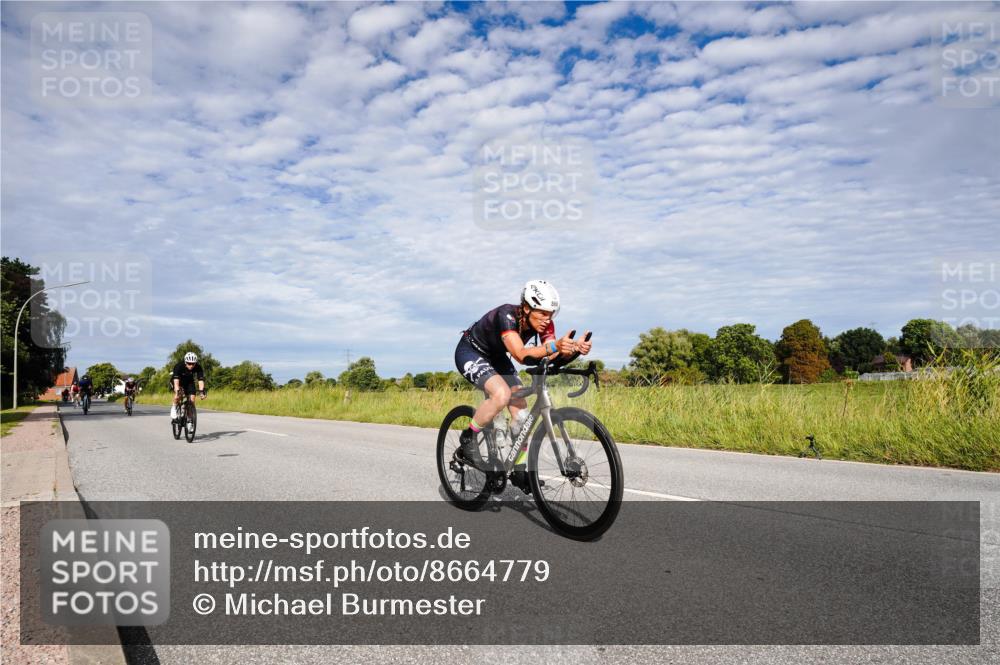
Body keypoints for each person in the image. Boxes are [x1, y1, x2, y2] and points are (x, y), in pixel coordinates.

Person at [454, 280, 591, 477]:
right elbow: (521, 354)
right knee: (501, 395)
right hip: (471, 351)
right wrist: (555, 347)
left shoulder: (545, 324)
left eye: (550, 314)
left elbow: (550, 354)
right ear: (526, 308)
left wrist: (573, 350)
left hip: (497, 357)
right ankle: (468, 438)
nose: (547, 319)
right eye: (542, 313)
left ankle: (519, 469)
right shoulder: (506, 315)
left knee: (521, 414)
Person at [170, 352, 206, 421]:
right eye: (189, 363)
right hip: (178, 381)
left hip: (189, 382)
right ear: (185, 362)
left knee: (192, 399)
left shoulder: (198, 367)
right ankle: (174, 407)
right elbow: (176, 382)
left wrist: (202, 392)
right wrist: (178, 391)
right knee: (179, 393)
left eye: (193, 364)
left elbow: (200, 380)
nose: (191, 365)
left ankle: (189, 419)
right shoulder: (179, 366)